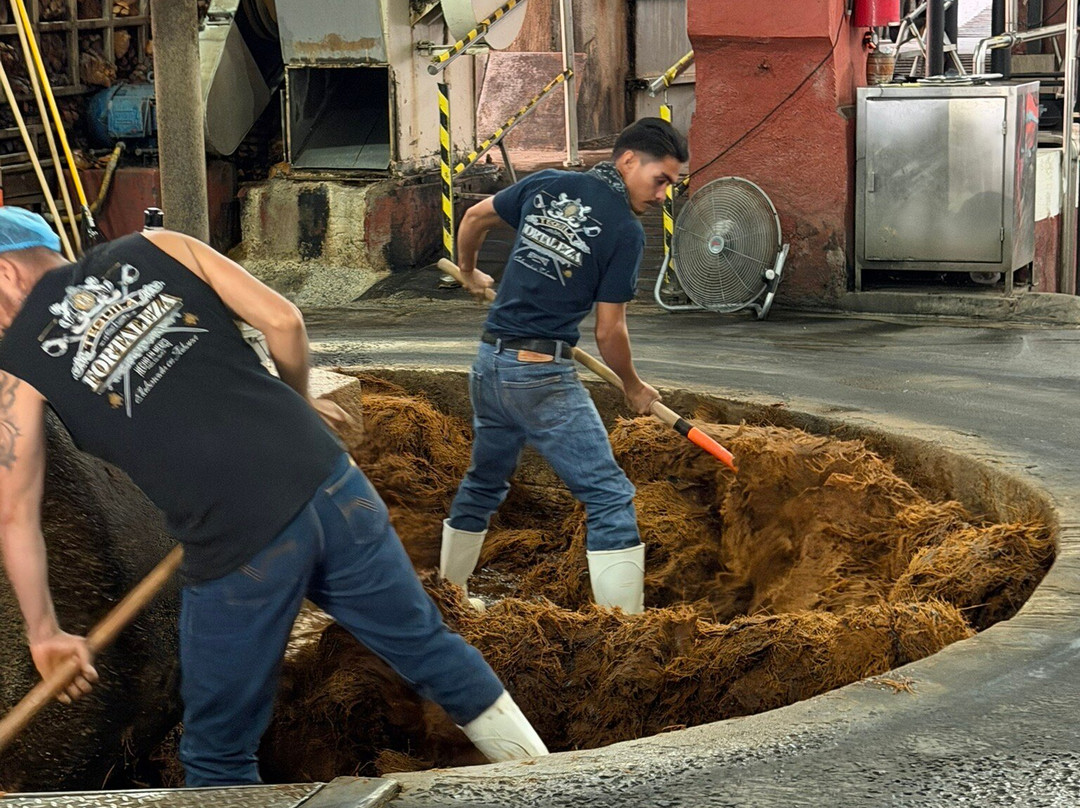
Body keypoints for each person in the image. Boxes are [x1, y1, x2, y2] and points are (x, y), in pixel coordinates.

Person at [0, 206, 547, 785]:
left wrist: (44, 632)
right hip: (334, 485)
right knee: (429, 648)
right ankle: (557, 784)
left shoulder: (16, 369)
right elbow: (283, 320)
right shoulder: (158, 245)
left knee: (216, 752)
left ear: (5, 275)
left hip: (240, 545)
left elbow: (15, 513)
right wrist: (298, 404)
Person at [440, 118, 688, 615]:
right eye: (661, 180)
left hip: (489, 365)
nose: (663, 194)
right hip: (540, 378)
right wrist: (634, 388)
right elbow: (609, 331)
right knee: (610, 495)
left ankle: (448, 600)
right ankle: (625, 637)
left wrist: (468, 270)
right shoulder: (623, 230)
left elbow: (471, 218)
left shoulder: (549, 182)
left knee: (484, 484)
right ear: (628, 161)